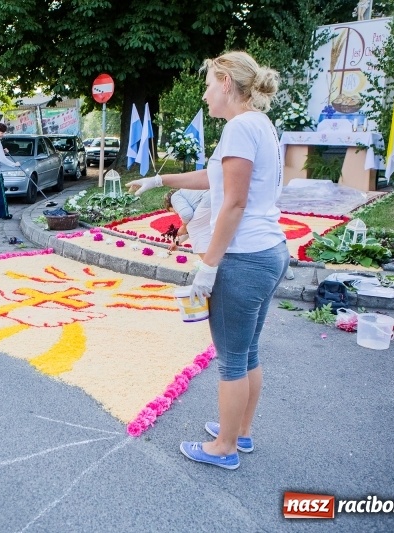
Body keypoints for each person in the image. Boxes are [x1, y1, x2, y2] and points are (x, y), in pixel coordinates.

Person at [129, 51, 289, 470]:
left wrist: (209, 265)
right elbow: (213, 178)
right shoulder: (258, 123)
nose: (204, 94)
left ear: (225, 82)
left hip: (243, 258)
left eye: (207, 85)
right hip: (269, 252)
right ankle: (240, 433)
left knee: (232, 360)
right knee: (247, 352)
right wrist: (158, 179)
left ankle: (224, 447)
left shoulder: (239, 128)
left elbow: (233, 203)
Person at [163, 189, 212, 255]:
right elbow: (189, 228)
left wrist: (184, 226)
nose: (176, 213)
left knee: (196, 234)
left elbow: (187, 215)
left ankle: (209, 260)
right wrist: (176, 242)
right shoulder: (190, 199)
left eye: (174, 211)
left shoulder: (175, 198)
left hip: (209, 201)